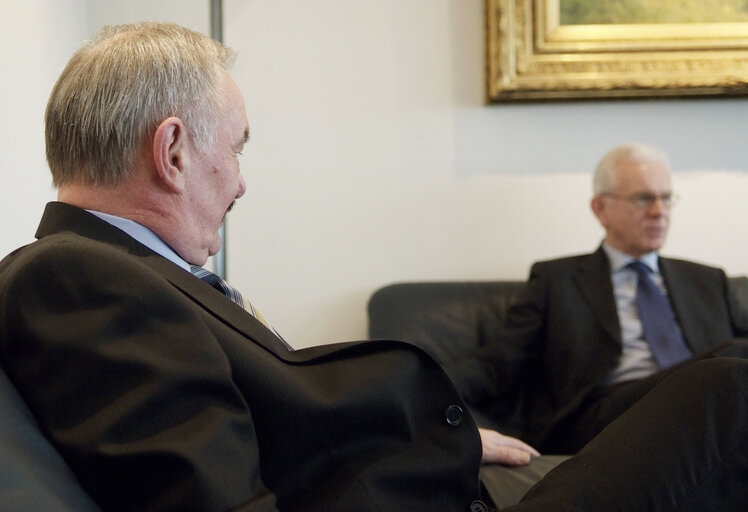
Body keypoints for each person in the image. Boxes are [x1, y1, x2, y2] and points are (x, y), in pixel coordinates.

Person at [0, 22, 745, 511]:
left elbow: (287, 430)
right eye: (237, 148)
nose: (241, 182)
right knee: (731, 388)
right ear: (172, 153)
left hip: (449, 478)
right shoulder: (74, 279)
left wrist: (442, 439)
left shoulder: (117, 276)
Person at [444, 142, 748, 454]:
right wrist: (419, 390)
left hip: (707, 413)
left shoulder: (709, 281)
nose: (659, 212)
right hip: (605, 416)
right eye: (644, 198)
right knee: (732, 359)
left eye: (666, 198)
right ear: (601, 209)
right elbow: (497, 365)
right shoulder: (556, 281)